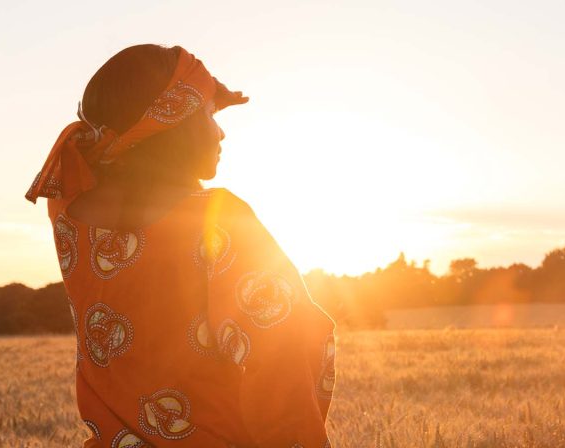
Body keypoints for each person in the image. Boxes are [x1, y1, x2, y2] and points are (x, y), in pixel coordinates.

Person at [25, 44, 337, 448]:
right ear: (174, 121)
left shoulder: (68, 212)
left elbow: (112, 150)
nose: (221, 130)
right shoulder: (220, 220)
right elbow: (287, 348)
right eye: (209, 114)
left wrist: (195, 96)